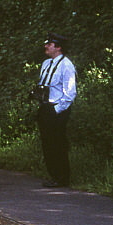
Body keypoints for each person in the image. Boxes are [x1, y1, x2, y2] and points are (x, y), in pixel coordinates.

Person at [34, 32, 77, 187]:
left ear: (58, 47)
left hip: (58, 110)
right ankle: (53, 175)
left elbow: (70, 93)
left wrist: (57, 110)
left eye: (49, 44)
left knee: (57, 144)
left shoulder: (66, 65)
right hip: (45, 107)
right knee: (47, 143)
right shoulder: (46, 64)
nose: (46, 46)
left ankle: (62, 177)